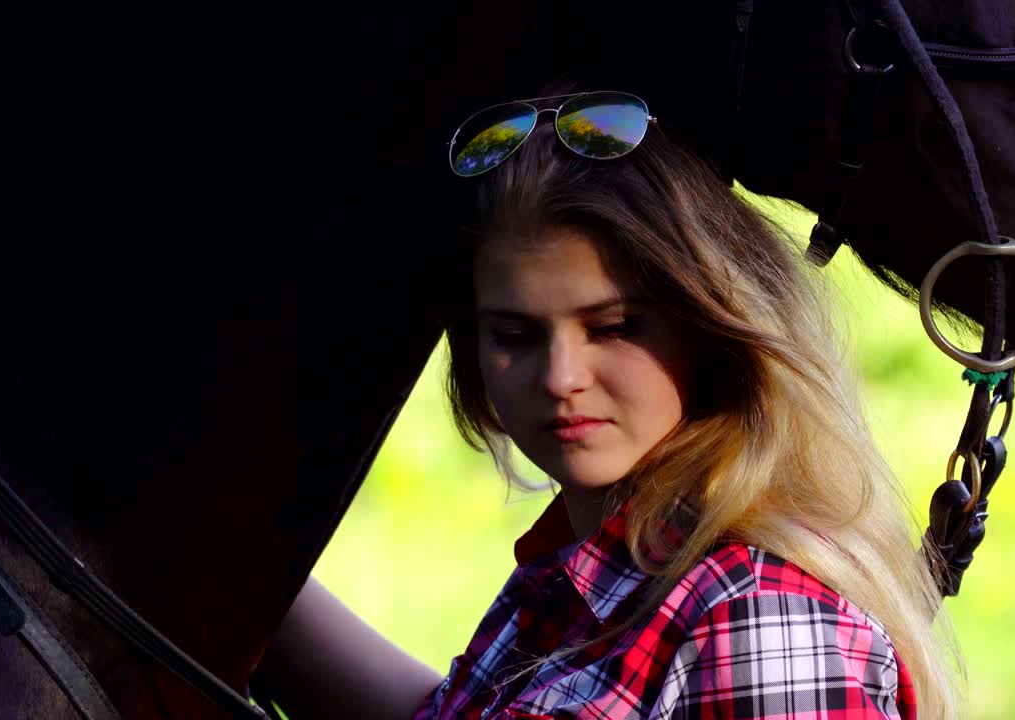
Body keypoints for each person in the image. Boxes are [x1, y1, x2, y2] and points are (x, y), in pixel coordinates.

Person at [257, 90, 957, 719]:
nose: (560, 377)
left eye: (614, 327)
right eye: (514, 334)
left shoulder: (758, 617)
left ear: (709, 330)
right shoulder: (596, 564)